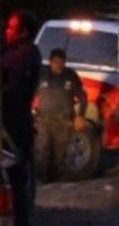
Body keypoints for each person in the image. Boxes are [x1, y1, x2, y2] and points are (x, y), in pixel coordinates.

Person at [0, 10, 42, 226]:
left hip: (14, 127)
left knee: (16, 182)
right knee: (17, 182)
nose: (7, 31)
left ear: (24, 33)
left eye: (11, 28)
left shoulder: (24, 56)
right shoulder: (19, 53)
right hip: (13, 124)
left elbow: (13, 92)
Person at [33, 48, 87, 183]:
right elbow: (29, 94)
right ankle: (41, 182)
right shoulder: (42, 75)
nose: (59, 66)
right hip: (43, 120)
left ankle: (56, 183)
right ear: (50, 62)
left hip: (63, 122)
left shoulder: (70, 76)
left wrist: (80, 116)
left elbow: (83, 97)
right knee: (41, 152)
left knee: (60, 155)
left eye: (61, 63)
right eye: (56, 62)